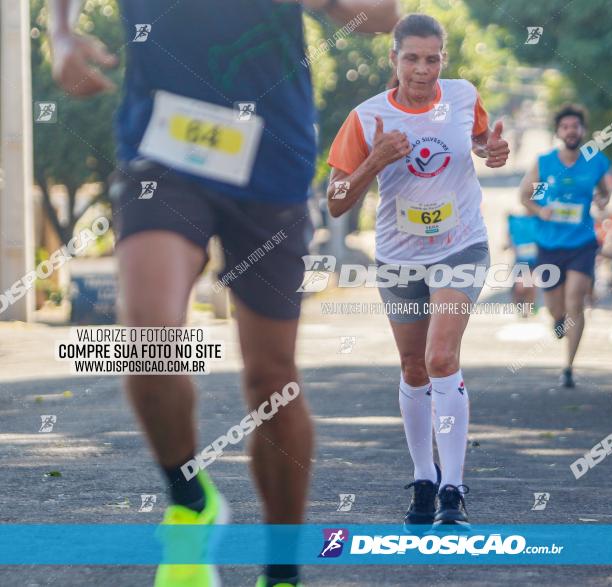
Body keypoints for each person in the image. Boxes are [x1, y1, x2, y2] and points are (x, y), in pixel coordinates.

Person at [48, 1, 399, 586]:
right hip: (164, 148)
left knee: (270, 377)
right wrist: (60, 32)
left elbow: (382, 15)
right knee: (148, 337)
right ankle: (189, 502)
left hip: (271, 157)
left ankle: (281, 572)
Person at [325, 13, 509, 530]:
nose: (422, 70)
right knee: (413, 368)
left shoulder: (464, 97)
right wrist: (373, 162)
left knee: (442, 357)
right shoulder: (366, 118)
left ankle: (453, 487)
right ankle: (423, 477)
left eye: (432, 59)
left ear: (443, 59)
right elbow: (336, 202)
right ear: (393, 59)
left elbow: (477, 142)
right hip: (400, 257)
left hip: (461, 246)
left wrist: (491, 150)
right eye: (411, 58)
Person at [518, 104, 612, 388]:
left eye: (576, 126)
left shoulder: (595, 161)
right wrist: (540, 210)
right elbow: (526, 196)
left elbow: (605, 192)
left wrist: (601, 201)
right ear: (559, 132)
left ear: (582, 131)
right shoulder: (546, 164)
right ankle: (558, 320)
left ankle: (569, 367)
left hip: (582, 243)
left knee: (575, 301)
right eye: (565, 127)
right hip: (549, 244)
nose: (571, 131)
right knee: (555, 308)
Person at [506, 212, 540, 316]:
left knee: (531, 283)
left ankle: (530, 306)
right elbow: (509, 235)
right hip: (520, 259)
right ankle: (521, 304)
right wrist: (509, 245)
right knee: (520, 287)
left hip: (534, 259)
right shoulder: (514, 220)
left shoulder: (537, 220)